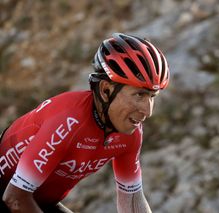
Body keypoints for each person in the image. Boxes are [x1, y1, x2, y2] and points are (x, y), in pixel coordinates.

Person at [0, 32, 170, 212]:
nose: (148, 111)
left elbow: (132, 202)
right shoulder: (68, 120)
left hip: (36, 201)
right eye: (139, 95)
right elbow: (14, 199)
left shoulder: (131, 132)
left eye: (152, 97)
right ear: (106, 90)